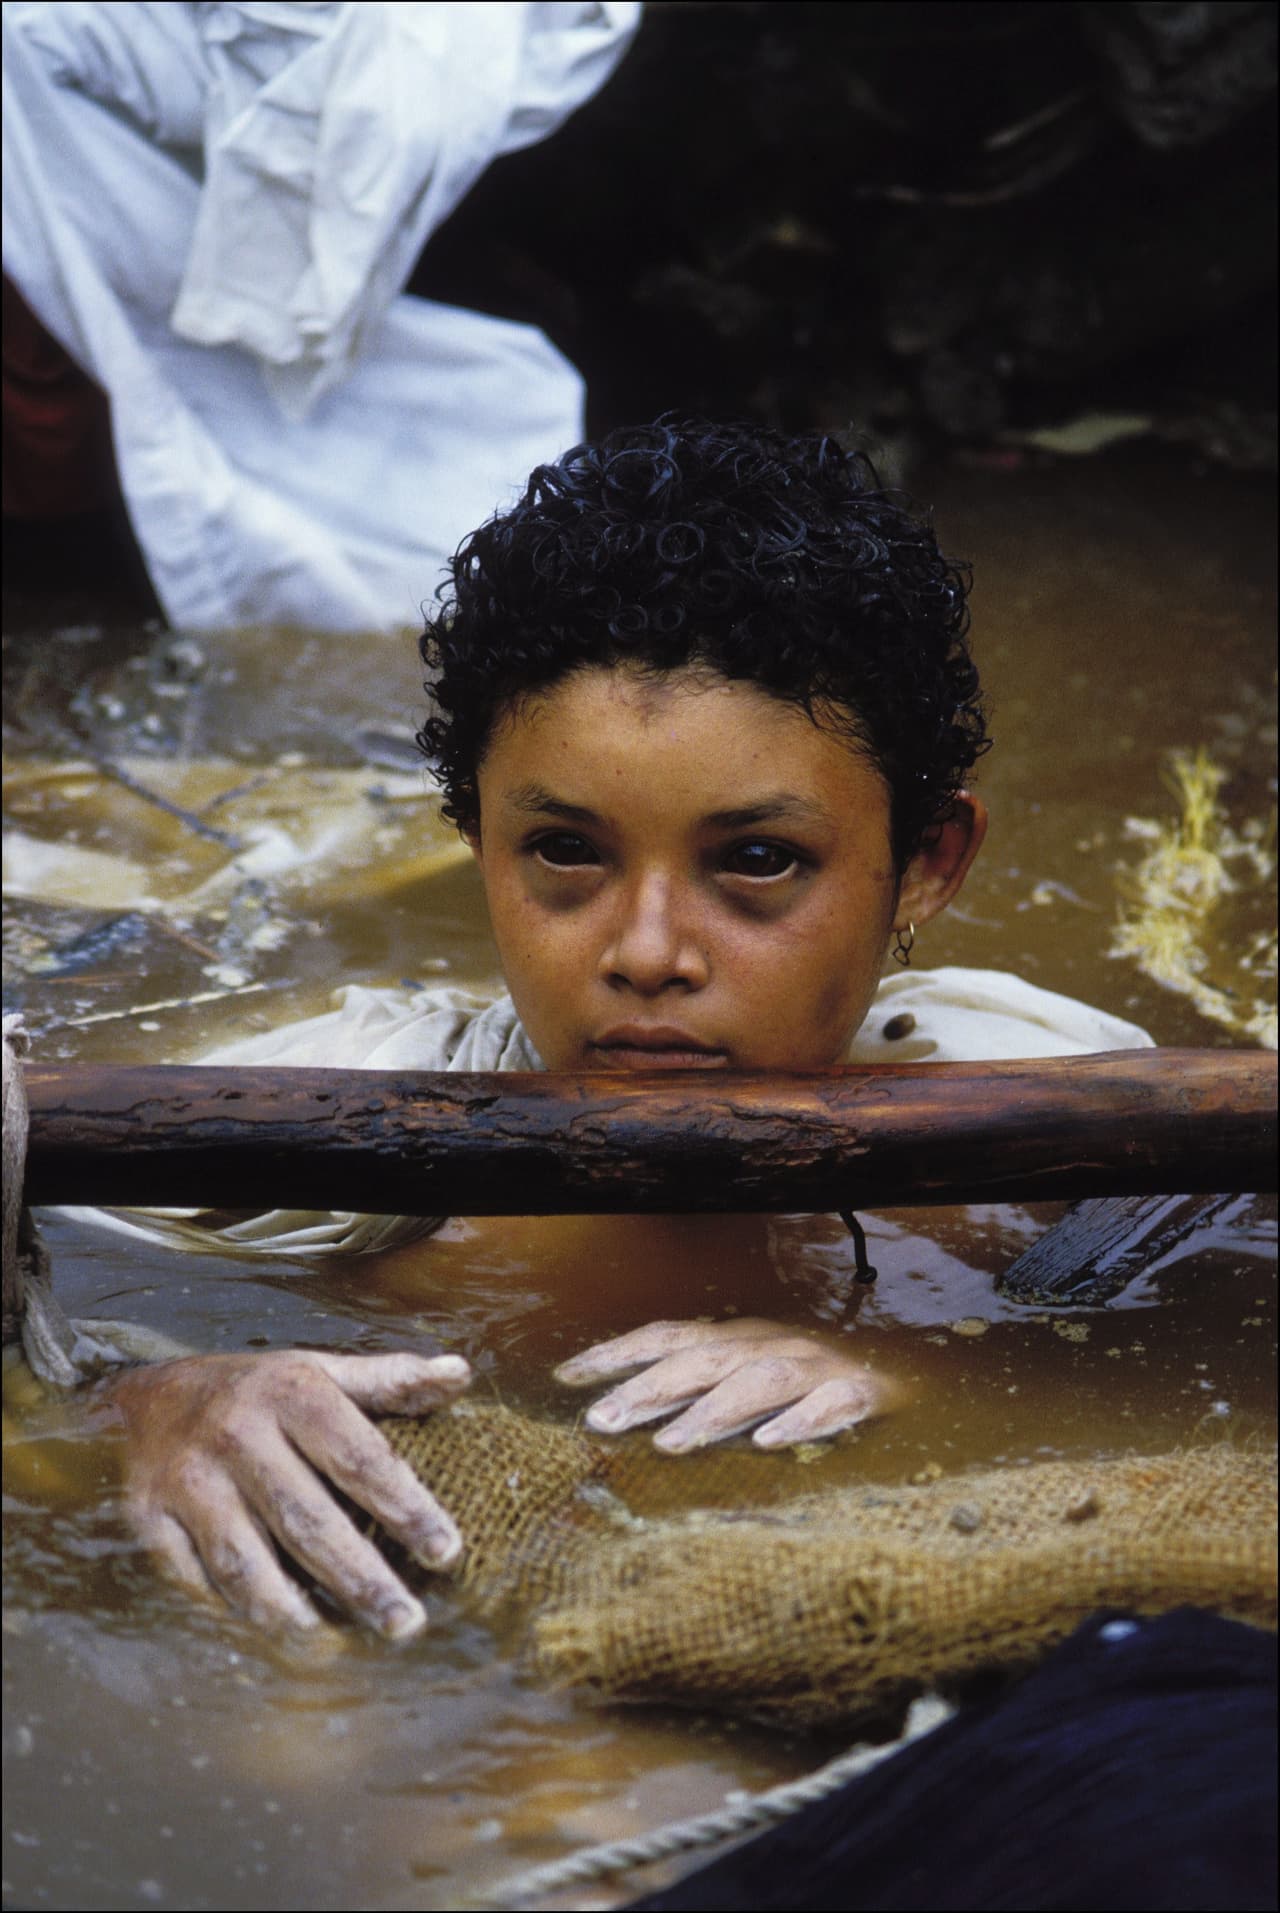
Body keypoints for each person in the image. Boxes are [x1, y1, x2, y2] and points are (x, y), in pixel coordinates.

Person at [55, 416, 1153, 1639]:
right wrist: (142, 1401)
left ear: (925, 862)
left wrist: (926, 1368)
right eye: (564, 850)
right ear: (477, 837)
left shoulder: (1070, 1119)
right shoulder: (297, 1139)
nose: (645, 951)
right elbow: (42, 1307)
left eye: (756, 859)